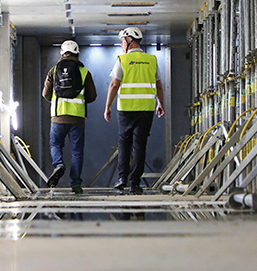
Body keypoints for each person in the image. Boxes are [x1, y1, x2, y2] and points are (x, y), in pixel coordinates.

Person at [103, 27, 165, 195]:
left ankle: (122, 178)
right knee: (140, 146)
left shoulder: (122, 60)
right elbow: (159, 85)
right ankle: (135, 183)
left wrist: (108, 106)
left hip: (126, 110)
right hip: (146, 110)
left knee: (124, 143)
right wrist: (161, 103)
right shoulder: (151, 59)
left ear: (129, 40)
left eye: (123, 41)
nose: (122, 44)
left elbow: (114, 84)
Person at [43, 40, 97, 194]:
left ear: (62, 53)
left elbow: (45, 94)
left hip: (58, 116)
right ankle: (76, 184)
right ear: (77, 53)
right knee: (77, 151)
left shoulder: (53, 71)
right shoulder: (84, 72)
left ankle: (58, 164)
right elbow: (92, 96)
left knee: (55, 144)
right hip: (77, 118)